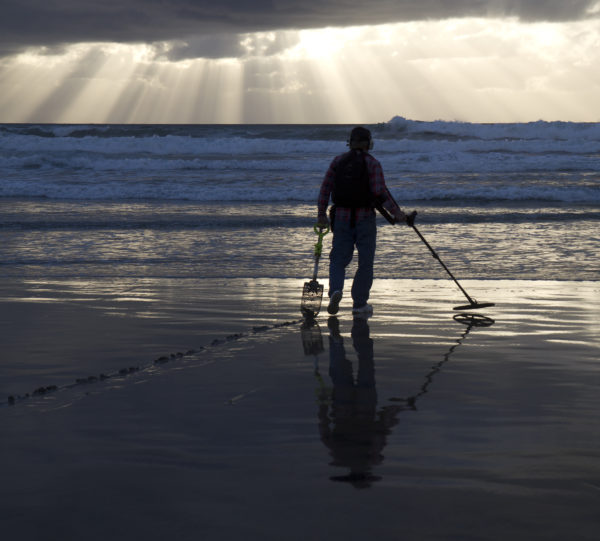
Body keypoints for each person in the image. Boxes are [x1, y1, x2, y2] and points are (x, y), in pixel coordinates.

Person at [316, 127, 407, 316]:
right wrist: (396, 213)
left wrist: (321, 214)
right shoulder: (372, 163)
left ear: (350, 142)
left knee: (338, 259)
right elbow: (380, 192)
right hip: (365, 218)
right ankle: (359, 304)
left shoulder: (338, 161)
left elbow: (325, 188)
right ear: (368, 143)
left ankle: (335, 291)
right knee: (365, 262)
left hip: (340, 217)